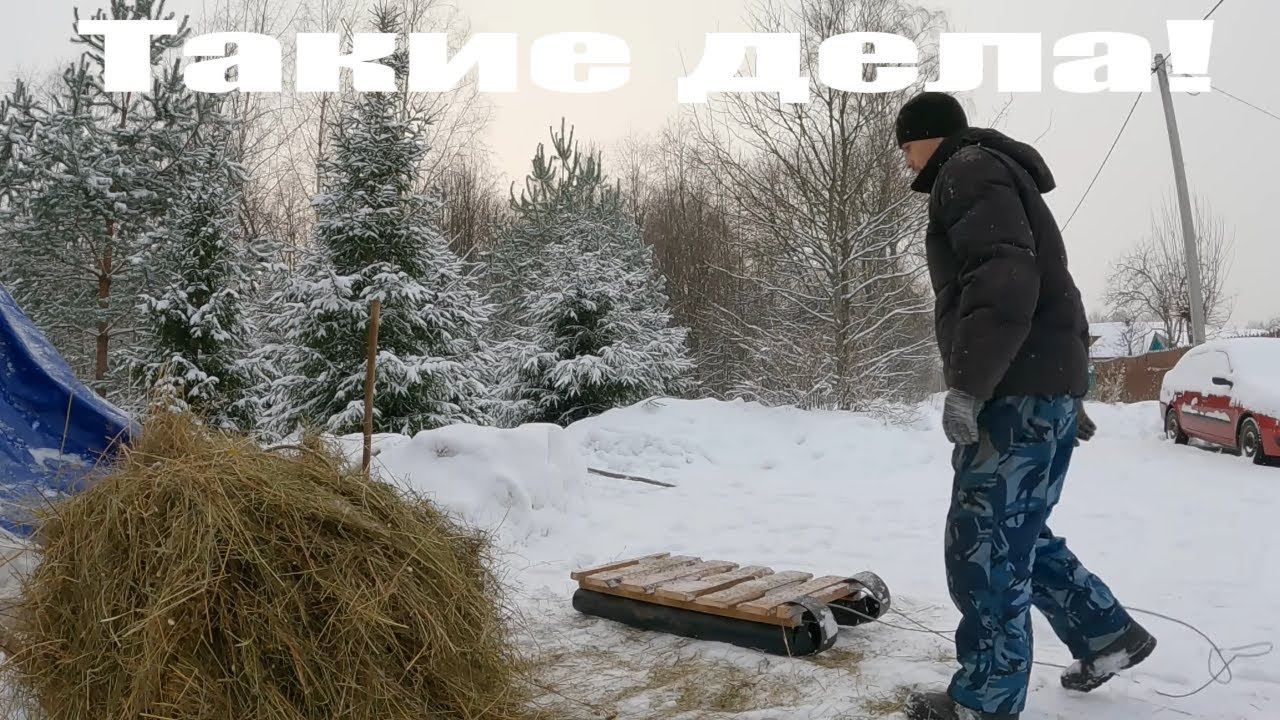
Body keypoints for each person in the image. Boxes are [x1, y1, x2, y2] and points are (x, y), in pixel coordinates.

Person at [895, 92, 1157, 720]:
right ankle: (1106, 634)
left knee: (983, 544)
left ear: (930, 137)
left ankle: (986, 700)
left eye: (905, 143)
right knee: (1020, 533)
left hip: (1012, 392)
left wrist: (972, 385)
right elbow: (1051, 285)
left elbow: (1003, 279)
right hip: (1036, 386)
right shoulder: (1000, 175)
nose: (904, 159)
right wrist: (1066, 388)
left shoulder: (965, 172)